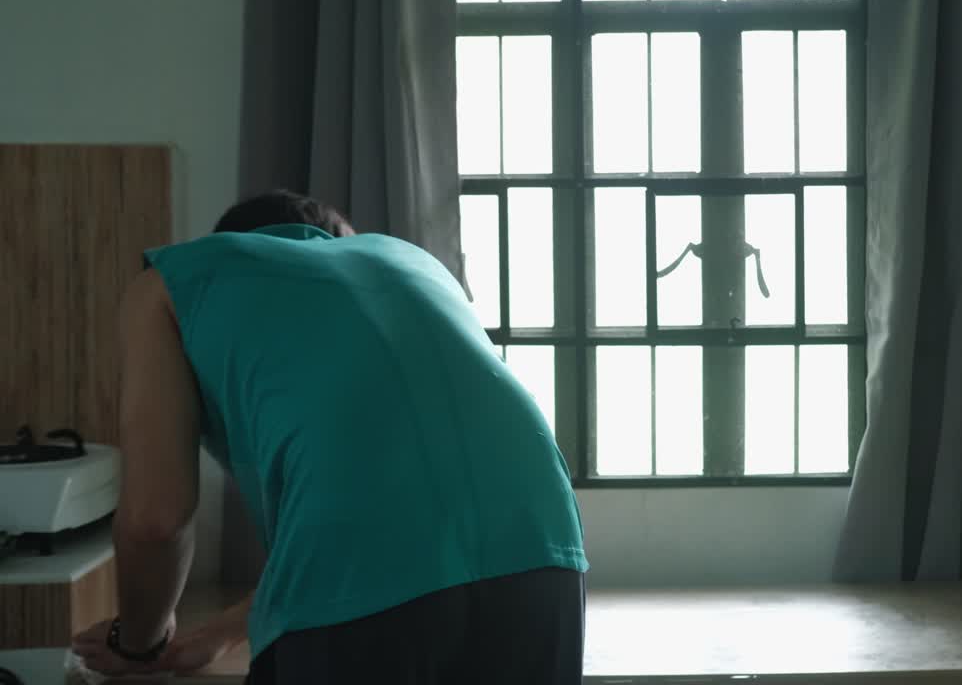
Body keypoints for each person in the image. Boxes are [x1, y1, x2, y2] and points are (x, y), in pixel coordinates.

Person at [70, 190, 589, 684]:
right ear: (340, 238)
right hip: (544, 549)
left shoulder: (173, 279)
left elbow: (156, 519)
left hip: (367, 587)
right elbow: (415, 526)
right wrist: (227, 630)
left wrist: (137, 642)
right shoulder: (413, 264)